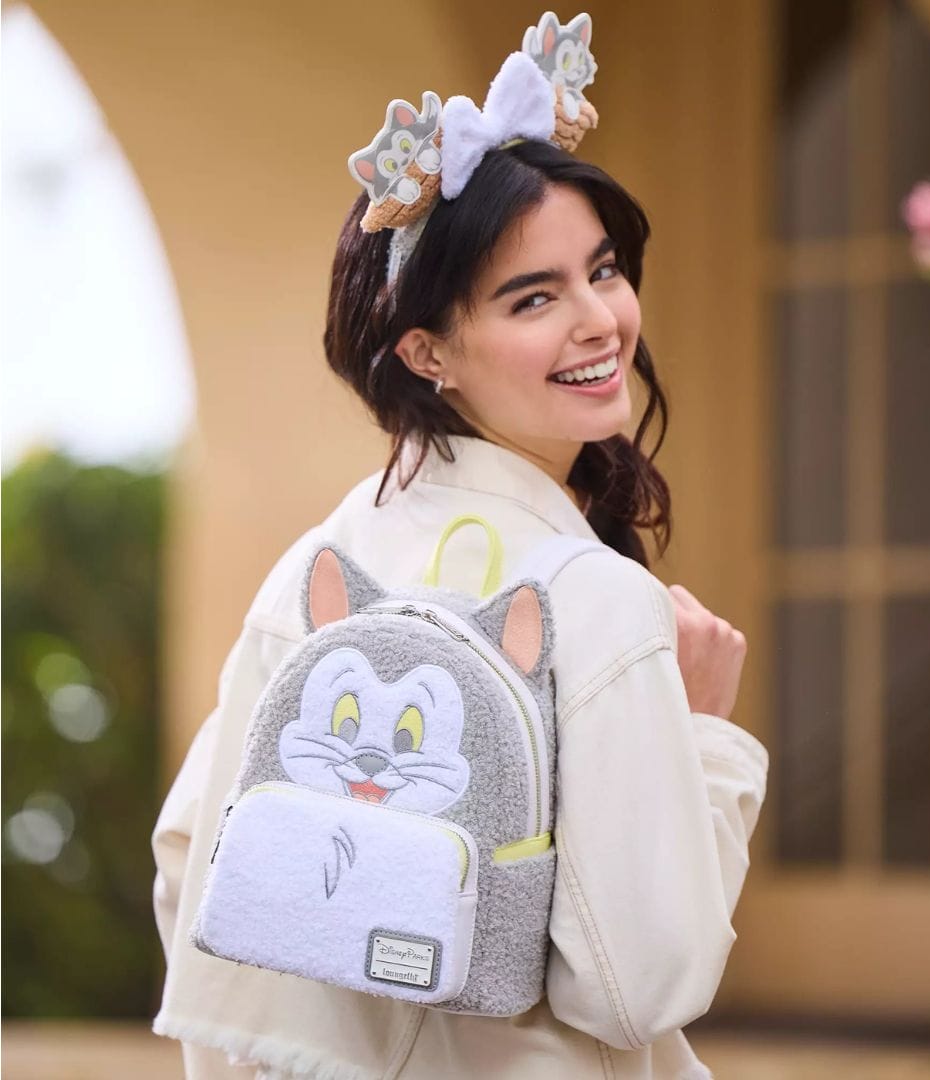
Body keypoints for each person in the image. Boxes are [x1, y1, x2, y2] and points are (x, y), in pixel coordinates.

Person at [150, 16, 768, 1079]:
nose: (600, 321)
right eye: (534, 297)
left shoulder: (310, 573)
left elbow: (188, 879)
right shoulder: (593, 600)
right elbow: (639, 987)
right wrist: (707, 744)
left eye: (604, 271)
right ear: (427, 349)